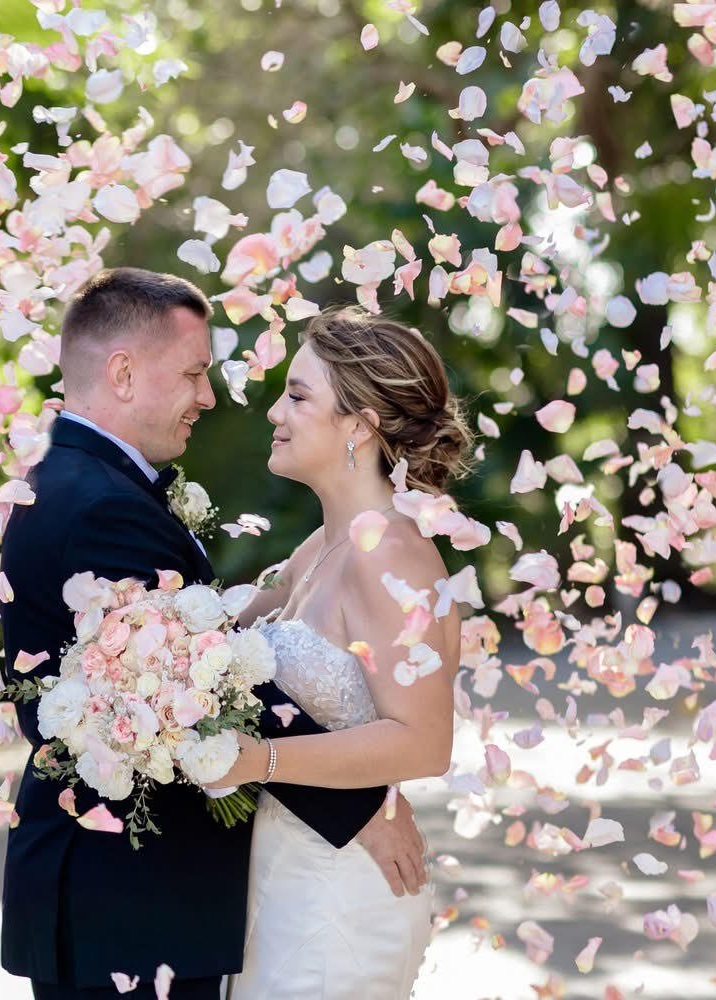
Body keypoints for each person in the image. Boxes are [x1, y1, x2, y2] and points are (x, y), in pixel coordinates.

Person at [0, 270, 429, 999]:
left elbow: (193, 651)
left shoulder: (82, 482)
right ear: (124, 373)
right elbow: (201, 681)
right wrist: (361, 806)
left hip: (129, 905)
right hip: (128, 904)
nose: (210, 396)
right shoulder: (102, 504)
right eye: (194, 373)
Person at [210, 306, 473, 999]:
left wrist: (258, 759)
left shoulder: (389, 553)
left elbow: (425, 742)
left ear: (360, 425)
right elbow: (212, 646)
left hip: (340, 900)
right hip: (283, 875)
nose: (276, 411)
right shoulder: (322, 546)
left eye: (298, 396)